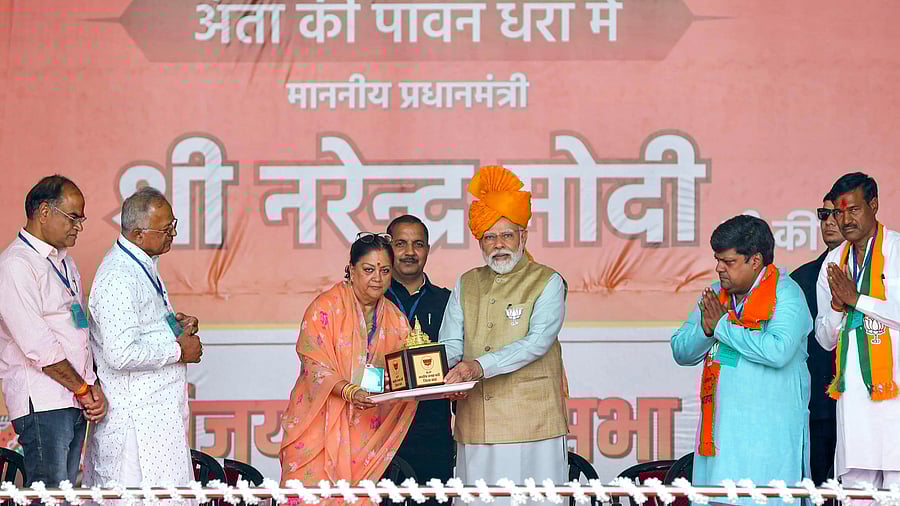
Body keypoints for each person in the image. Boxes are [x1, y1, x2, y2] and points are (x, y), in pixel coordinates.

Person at [439, 165, 569, 505]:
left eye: (507, 235)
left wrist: (476, 367)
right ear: (480, 240)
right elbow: (451, 341)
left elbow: (537, 341)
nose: (499, 245)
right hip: (475, 421)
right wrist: (450, 374)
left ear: (523, 237)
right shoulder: (467, 281)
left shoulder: (548, 281)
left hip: (532, 424)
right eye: (490, 237)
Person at [671, 214, 811, 505]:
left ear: (755, 261)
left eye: (729, 262)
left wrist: (722, 327)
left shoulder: (786, 294)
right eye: (717, 260)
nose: (719, 268)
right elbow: (681, 350)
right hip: (719, 446)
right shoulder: (718, 296)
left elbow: (778, 350)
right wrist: (708, 329)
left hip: (767, 449)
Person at [280, 232, 418, 494]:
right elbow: (314, 365)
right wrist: (349, 390)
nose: (377, 278)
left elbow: (403, 370)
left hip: (366, 432)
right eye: (368, 269)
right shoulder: (325, 308)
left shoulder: (396, 320)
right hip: (317, 430)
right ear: (352, 270)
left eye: (385, 270)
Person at [84, 186, 203, 488]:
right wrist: (178, 351)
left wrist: (176, 328)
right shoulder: (119, 276)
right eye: (166, 229)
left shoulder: (143, 264)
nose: (172, 234)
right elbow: (120, 353)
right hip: (137, 428)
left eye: (173, 225)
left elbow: (145, 327)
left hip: (157, 423)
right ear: (139, 234)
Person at [0, 175, 106, 487]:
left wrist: (89, 386)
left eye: (81, 219)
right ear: (44, 212)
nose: (79, 227)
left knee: (65, 494)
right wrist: (84, 389)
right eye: (73, 217)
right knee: (49, 493)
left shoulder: (65, 263)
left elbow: (77, 331)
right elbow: (39, 346)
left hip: (72, 398)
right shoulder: (16, 265)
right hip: (45, 403)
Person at [815, 172, 900, 491]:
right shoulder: (832, 263)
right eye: (838, 211)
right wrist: (838, 307)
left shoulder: (897, 250)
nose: (844, 219)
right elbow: (824, 340)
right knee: (856, 491)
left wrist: (858, 300)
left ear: (874, 205)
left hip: (896, 401)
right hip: (853, 404)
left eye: (853, 209)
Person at [384, 215, 453, 499]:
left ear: (427, 250)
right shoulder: (373, 300)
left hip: (432, 431)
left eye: (418, 244)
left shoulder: (448, 301)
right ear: (388, 248)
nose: (410, 252)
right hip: (380, 430)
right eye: (401, 244)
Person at [790, 193, 843, 485]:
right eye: (824, 214)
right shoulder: (802, 278)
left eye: (837, 214)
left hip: (872, 403)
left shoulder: (881, 274)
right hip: (820, 408)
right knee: (819, 490)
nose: (830, 222)